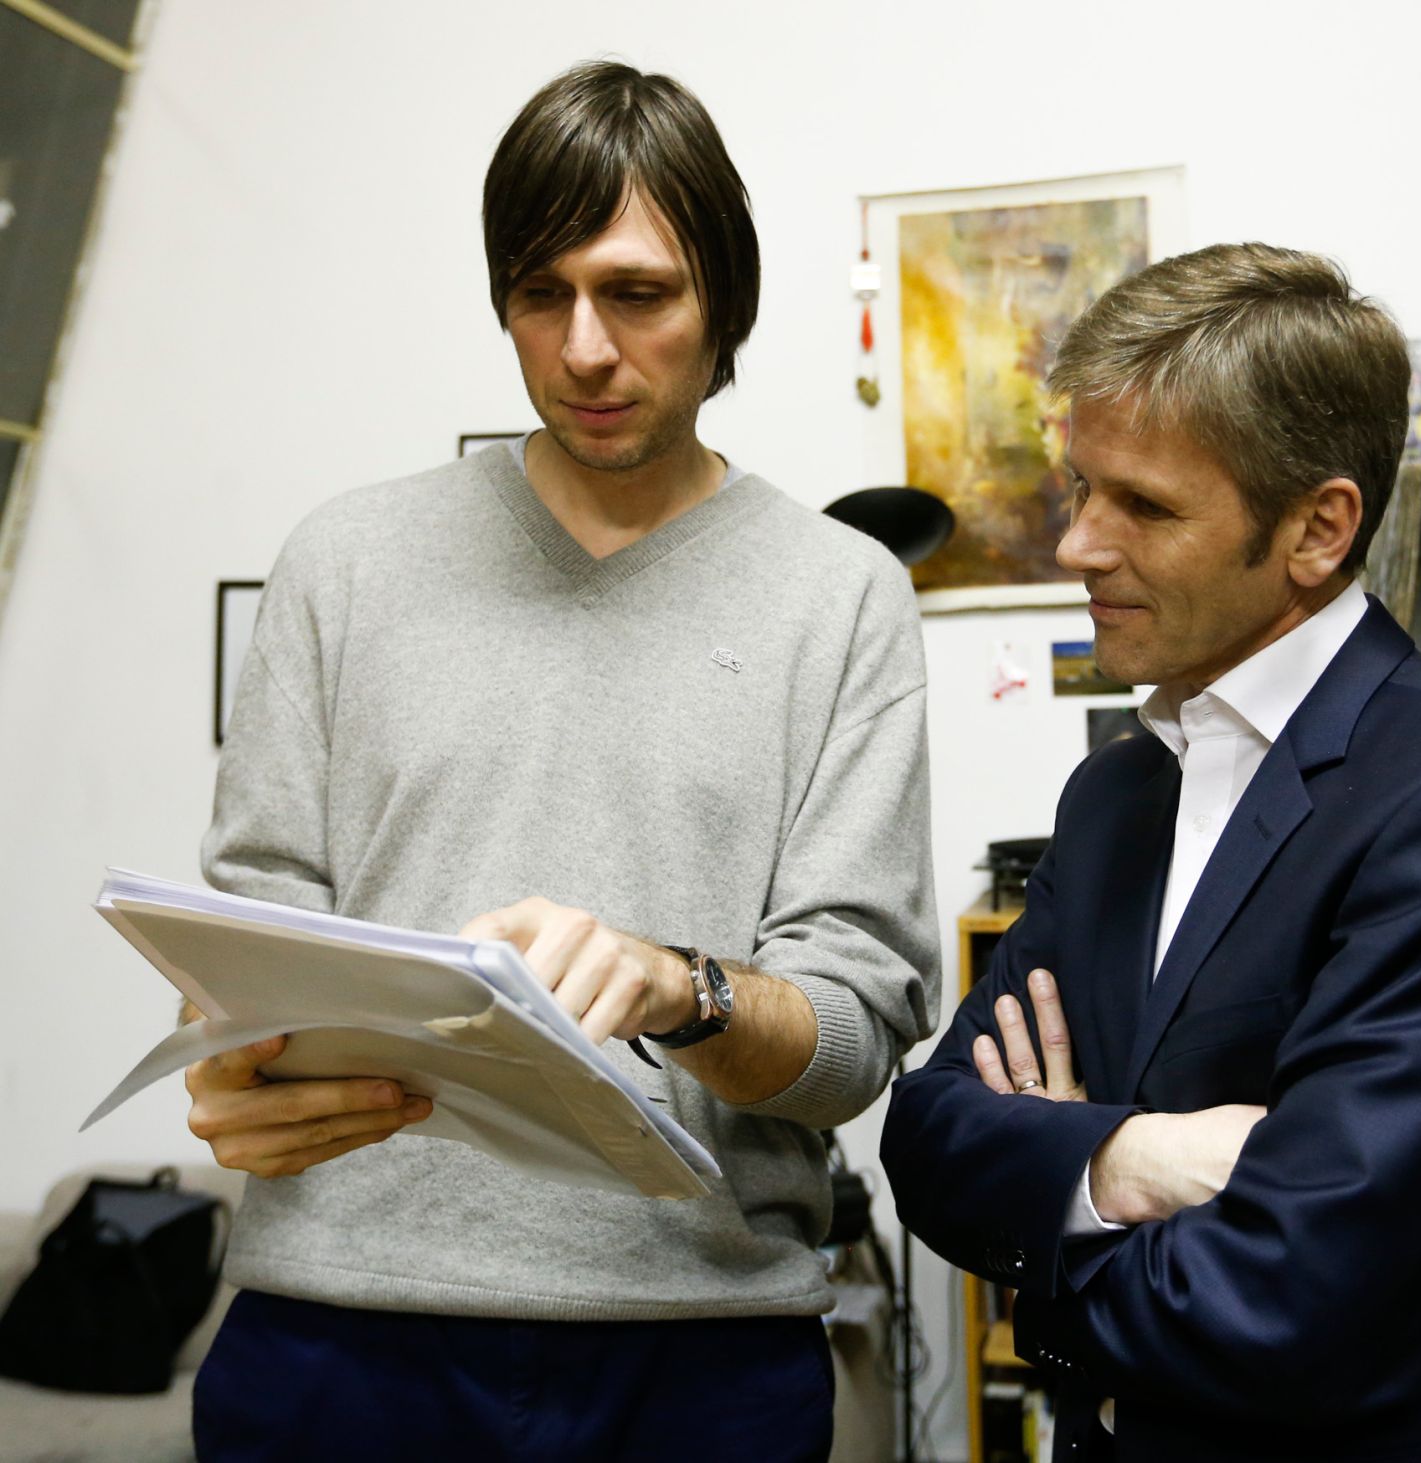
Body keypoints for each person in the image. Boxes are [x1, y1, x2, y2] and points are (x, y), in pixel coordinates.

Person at [182, 61, 937, 1462]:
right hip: (335, 1333)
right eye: (542, 295)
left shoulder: (840, 597)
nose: (585, 347)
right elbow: (248, 948)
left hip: (697, 1357)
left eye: (637, 293)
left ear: (724, 303)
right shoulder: (344, 562)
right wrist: (242, 1066)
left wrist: (678, 983)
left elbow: (853, 1042)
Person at [882, 243, 1421, 1463]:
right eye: (1078, 487)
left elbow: (1299, 1299)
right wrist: (1132, 1156)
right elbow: (928, 1136)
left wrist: (1050, 1225)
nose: (1076, 545)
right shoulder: (1117, 791)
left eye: (1144, 506)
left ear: (1317, 528)